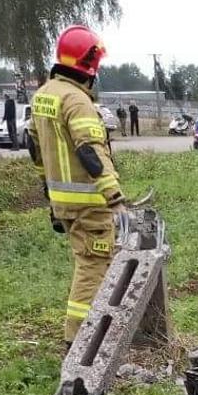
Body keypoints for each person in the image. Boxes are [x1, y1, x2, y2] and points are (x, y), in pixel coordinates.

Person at [32, 24, 129, 341]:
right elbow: (89, 150)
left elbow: (35, 146)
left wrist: (49, 193)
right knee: (92, 268)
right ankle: (79, 341)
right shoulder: (76, 101)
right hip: (90, 204)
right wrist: (115, 197)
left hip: (64, 201)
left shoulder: (44, 96)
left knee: (85, 262)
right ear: (89, 66)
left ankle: (90, 331)